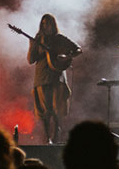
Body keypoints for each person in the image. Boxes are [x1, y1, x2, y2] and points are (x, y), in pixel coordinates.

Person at [27, 13, 82, 144]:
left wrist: (67, 57)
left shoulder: (59, 38)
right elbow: (30, 60)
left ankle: (56, 135)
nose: (46, 26)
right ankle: (47, 138)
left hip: (57, 77)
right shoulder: (38, 39)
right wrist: (31, 45)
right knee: (45, 111)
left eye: (49, 23)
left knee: (57, 109)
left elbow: (78, 49)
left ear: (53, 24)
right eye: (44, 24)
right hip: (42, 77)